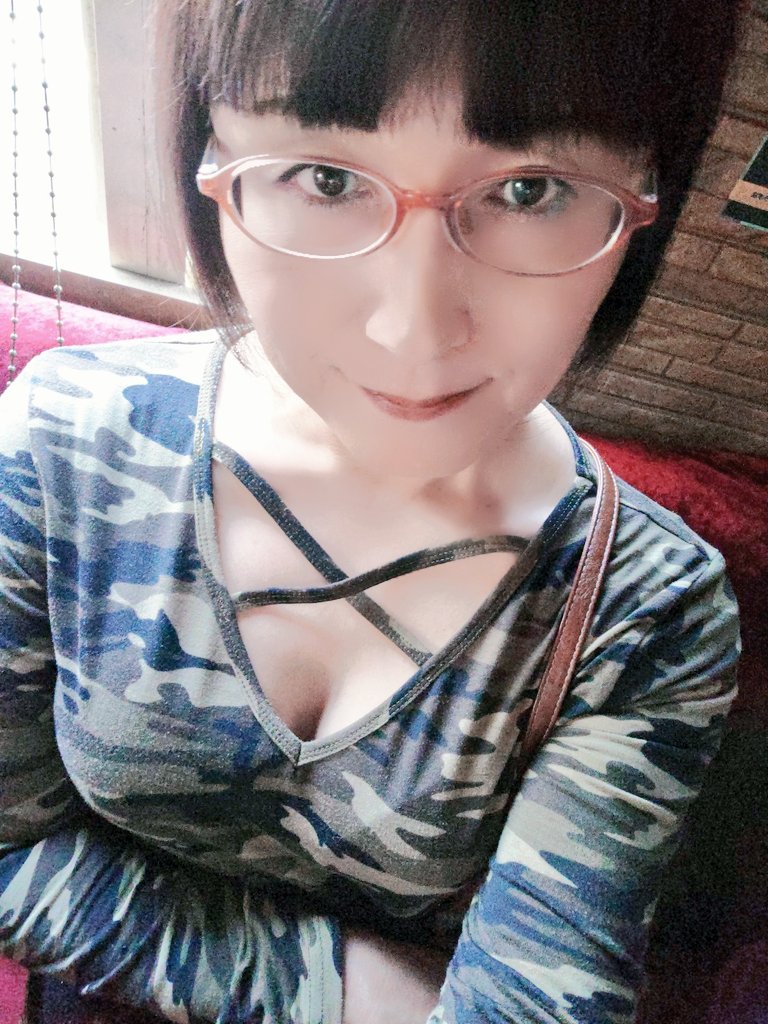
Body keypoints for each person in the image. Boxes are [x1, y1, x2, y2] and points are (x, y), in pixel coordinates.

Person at [0, 2, 745, 1022]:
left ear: (647, 202)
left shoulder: (648, 608)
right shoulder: (64, 445)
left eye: (530, 190)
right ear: (207, 160)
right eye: (325, 178)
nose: (413, 328)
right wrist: (342, 990)